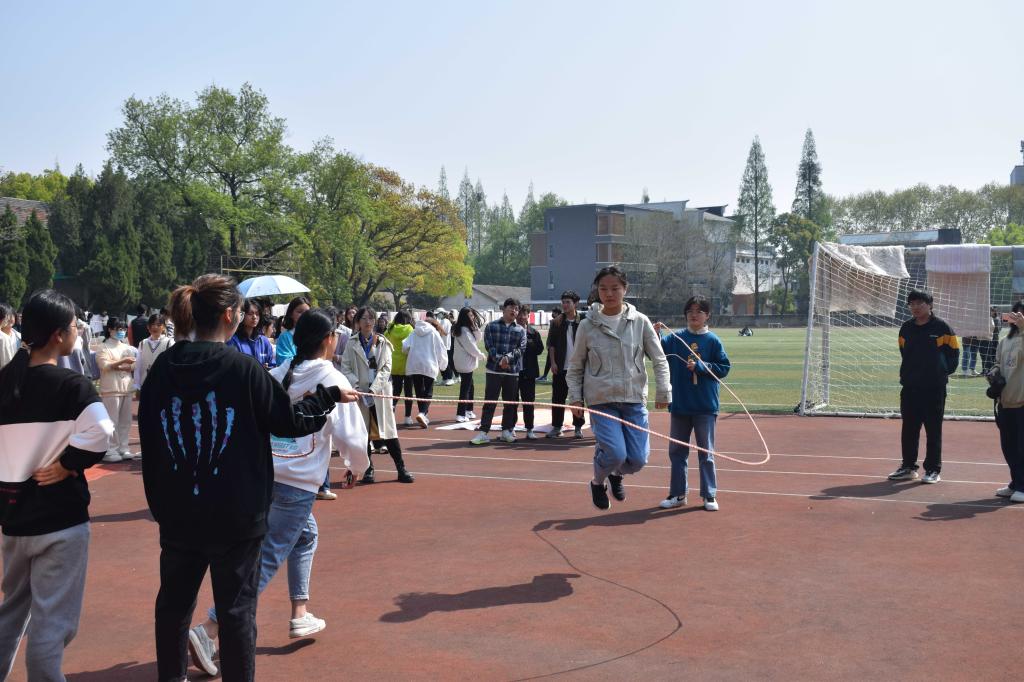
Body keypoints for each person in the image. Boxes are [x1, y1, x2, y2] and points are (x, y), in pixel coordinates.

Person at [138, 274, 358, 682]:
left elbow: (149, 437)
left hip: (179, 509)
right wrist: (328, 396)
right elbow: (290, 422)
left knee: (173, 606)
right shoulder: (243, 370)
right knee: (237, 612)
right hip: (235, 513)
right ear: (229, 315)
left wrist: (160, 501)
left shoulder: (165, 367)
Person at [186, 308, 369, 677]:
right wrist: (357, 466)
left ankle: (300, 612)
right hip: (297, 482)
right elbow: (351, 436)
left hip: (265, 475)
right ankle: (210, 629)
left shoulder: (279, 371)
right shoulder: (332, 379)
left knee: (305, 535)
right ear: (328, 340)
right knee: (266, 556)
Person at [0, 289, 114, 681]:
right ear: (58, 335)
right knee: (51, 622)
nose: (78, 333)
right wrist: (68, 465)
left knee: (11, 611)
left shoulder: (6, 381)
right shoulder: (72, 385)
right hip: (61, 521)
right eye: (74, 327)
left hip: (14, 519)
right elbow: (102, 432)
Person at [567, 266, 671, 510]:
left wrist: (664, 391)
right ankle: (597, 482)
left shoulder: (640, 322)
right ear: (597, 290)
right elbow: (575, 366)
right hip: (601, 400)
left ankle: (615, 473)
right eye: (603, 288)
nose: (609, 293)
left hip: (633, 399)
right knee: (615, 453)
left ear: (625, 289)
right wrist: (575, 398)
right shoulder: (587, 325)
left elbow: (659, 359)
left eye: (615, 288)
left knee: (637, 460)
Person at [655, 295, 730, 511]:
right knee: (677, 452)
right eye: (690, 311)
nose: (694, 315)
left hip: (705, 406)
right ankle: (678, 494)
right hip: (680, 404)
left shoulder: (713, 340)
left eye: (699, 311)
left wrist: (701, 366)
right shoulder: (675, 338)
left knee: (706, 453)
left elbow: (724, 368)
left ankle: (709, 495)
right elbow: (657, 353)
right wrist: (655, 333)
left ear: (708, 315)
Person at [887, 290, 959, 484]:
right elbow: (904, 352)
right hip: (910, 387)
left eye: (920, 303)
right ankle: (908, 467)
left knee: (933, 430)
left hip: (934, 388)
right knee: (909, 429)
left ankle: (933, 469)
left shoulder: (942, 327)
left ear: (930, 305)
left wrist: (939, 372)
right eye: (912, 304)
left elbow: (953, 355)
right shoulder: (906, 328)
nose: (915, 307)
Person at [341, 306, 415, 483]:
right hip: (360, 394)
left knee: (388, 432)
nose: (368, 322)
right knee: (363, 433)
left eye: (371, 318)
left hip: (379, 394)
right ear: (357, 322)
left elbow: (386, 369)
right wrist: (357, 386)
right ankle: (369, 470)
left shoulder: (382, 342)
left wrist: (373, 389)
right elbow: (346, 367)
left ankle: (401, 468)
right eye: (364, 318)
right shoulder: (351, 343)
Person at [471, 299, 527, 445]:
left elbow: (521, 349)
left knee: (510, 404)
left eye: (516, 309)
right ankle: (483, 432)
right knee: (490, 402)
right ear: (504, 309)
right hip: (493, 371)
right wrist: (500, 360)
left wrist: (507, 359)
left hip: (512, 372)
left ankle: (506, 431)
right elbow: (489, 346)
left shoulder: (521, 330)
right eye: (511, 307)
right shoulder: (491, 326)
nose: (514, 311)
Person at [992, 303, 1024, 503]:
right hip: (1006, 400)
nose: (1018, 316)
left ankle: (1023, 486)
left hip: (1022, 401)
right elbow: (998, 363)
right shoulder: (1005, 341)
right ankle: (1016, 482)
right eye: (1016, 313)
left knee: (1022, 447)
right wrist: (994, 373)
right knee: (1009, 446)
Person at [95, 317, 138, 462]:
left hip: (126, 387)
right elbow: (105, 365)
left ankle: (123, 448)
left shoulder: (126, 347)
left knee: (125, 421)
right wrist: (123, 362)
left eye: (124, 329)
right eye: (119, 329)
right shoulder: (103, 347)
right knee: (111, 420)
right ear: (110, 329)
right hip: (111, 388)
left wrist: (118, 365)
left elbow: (133, 365)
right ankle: (110, 449)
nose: (122, 332)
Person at [546, 291, 586, 439]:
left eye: (568, 302)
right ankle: (557, 427)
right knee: (558, 398)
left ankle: (578, 427)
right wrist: (553, 362)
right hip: (560, 366)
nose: (565, 305)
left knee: (578, 398)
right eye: (563, 302)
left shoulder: (583, 321)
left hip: (578, 368)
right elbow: (551, 345)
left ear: (575, 304)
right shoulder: (556, 322)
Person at [402, 315, 448, 428]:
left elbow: (404, 346)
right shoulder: (433, 333)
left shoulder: (414, 332)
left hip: (414, 364)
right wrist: (443, 365)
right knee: (428, 392)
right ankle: (422, 413)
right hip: (429, 364)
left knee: (419, 391)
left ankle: (423, 415)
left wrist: (411, 352)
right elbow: (441, 350)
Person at [452, 307, 486, 422]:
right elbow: (471, 347)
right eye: (470, 316)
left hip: (464, 362)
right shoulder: (464, 331)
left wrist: (475, 327)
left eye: (472, 315)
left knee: (470, 386)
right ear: (465, 317)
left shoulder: (465, 329)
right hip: (465, 362)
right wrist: (481, 355)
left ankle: (468, 410)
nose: (472, 318)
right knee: (466, 388)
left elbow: (478, 338)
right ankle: (460, 414)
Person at [516, 305, 544, 439]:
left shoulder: (534, 332)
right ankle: (510, 428)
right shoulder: (511, 331)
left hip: (529, 373)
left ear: (528, 316)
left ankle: (529, 429)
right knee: (512, 402)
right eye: (519, 314)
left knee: (528, 402)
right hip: (514, 372)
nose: (522, 317)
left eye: (524, 314)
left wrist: (528, 343)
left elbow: (540, 349)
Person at [383, 311, 416, 426]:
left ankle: (392, 406)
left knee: (396, 388)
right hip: (407, 363)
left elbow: (384, 341)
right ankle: (407, 417)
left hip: (394, 363)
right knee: (408, 391)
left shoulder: (390, 329)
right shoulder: (410, 329)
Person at [228, 299, 276, 369]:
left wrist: (267, 369)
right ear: (242, 315)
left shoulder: (264, 341)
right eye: (250, 314)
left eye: (257, 314)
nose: (254, 317)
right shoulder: (234, 341)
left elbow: (272, 365)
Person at [134, 314, 174, 392]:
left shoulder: (169, 343)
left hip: (162, 386)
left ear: (164, 327)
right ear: (148, 326)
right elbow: (138, 365)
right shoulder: (143, 343)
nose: (155, 327)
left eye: (158, 325)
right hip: (144, 384)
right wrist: (137, 385)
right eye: (152, 324)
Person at [274, 296, 311, 364]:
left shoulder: (314, 335)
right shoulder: (285, 337)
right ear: (291, 314)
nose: (304, 315)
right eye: (300, 312)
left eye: (307, 312)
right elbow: (283, 362)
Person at [537, 307, 561, 384]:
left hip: (557, 346)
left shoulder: (560, 322)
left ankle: (549, 376)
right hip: (551, 346)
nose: (552, 314)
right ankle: (544, 376)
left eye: (554, 312)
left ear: (557, 313)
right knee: (549, 361)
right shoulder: (553, 322)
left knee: (555, 362)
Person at [435, 308, 456, 386]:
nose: (437, 315)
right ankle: (445, 378)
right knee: (442, 362)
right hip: (442, 344)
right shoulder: (443, 321)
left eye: (438, 314)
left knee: (445, 362)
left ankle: (450, 378)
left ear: (442, 313)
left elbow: (442, 332)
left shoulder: (445, 321)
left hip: (445, 344)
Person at [0, 303, 19, 370]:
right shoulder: (2, 337)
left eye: (11, 315)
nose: (9, 319)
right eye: (6, 316)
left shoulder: (19, 336)